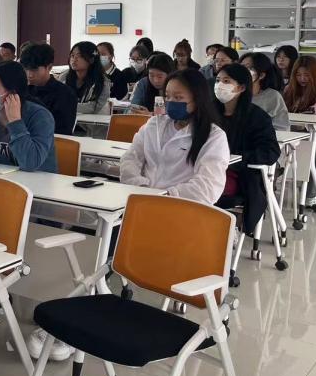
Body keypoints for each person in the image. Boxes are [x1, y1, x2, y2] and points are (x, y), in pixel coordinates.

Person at [119, 69, 230, 203]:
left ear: (197, 99)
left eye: (178, 98)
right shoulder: (154, 124)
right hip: (142, 198)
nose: (170, 102)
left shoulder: (213, 136)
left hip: (181, 206)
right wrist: (140, 186)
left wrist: (166, 196)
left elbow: (208, 186)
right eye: (167, 96)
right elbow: (131, 158)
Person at [214, 64, 281, 238]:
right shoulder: (209, 113)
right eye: (218, 80)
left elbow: (270, 151)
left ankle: (223, 231)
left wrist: (238, 159)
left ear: (242, 87)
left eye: (226, 81)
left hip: (238, 173)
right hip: (208, 168)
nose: (220, 85)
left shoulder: (257, 117)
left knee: (207, 189)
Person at [283, 55, 316, 205]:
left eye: (306, 75)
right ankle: (268, 188)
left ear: (315, 75)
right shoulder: (288, 90)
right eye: (298, 75)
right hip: (292, 132)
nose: (302, 79)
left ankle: (310, 194)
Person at [19, 43, 78, 135]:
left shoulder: (65, 94)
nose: (29, 74)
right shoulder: (21, 90)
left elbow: (62, 131)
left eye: (34, 70)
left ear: (49, 67)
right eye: (25, 69)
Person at [239, 52, 290, 130]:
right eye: (242, 67)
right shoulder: (232, 94)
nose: (243, 71)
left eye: (249, 68)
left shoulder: (273, 96)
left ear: (261, 75)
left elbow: (282, 128)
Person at [64, 41, 111, 115]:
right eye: (72, 55)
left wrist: (67, 105)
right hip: (68, 119)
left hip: (93, 121)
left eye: (80, 56)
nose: (74, 59)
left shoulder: (102, 82)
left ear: (91, 59)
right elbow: (57, 100)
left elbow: (94, 108)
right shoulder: (64, 77)